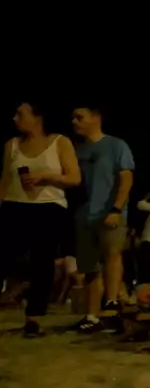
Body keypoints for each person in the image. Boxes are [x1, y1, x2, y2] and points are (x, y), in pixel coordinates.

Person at [0, 102, 81, 337]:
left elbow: (74, 178)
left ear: (37, 117)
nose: (15, 118)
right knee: (3, 257)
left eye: (20, 114)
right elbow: (5, 180)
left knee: (42, 264)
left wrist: (44, 176)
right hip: (15, 206)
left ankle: (33, 319)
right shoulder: (12, 145)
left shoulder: (59, 142)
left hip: (48, 207)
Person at [70, 105, 135, 333]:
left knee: (112, 255)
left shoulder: (116, 145)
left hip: (110, 212)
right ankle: (91, 316)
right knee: (89, 267)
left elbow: (126, 179)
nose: (74, 122)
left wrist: (116, 208)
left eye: (80, 117)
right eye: (73, 118)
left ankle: (112, 305)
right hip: (84, 215)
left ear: (96, 118)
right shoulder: (77, 150)